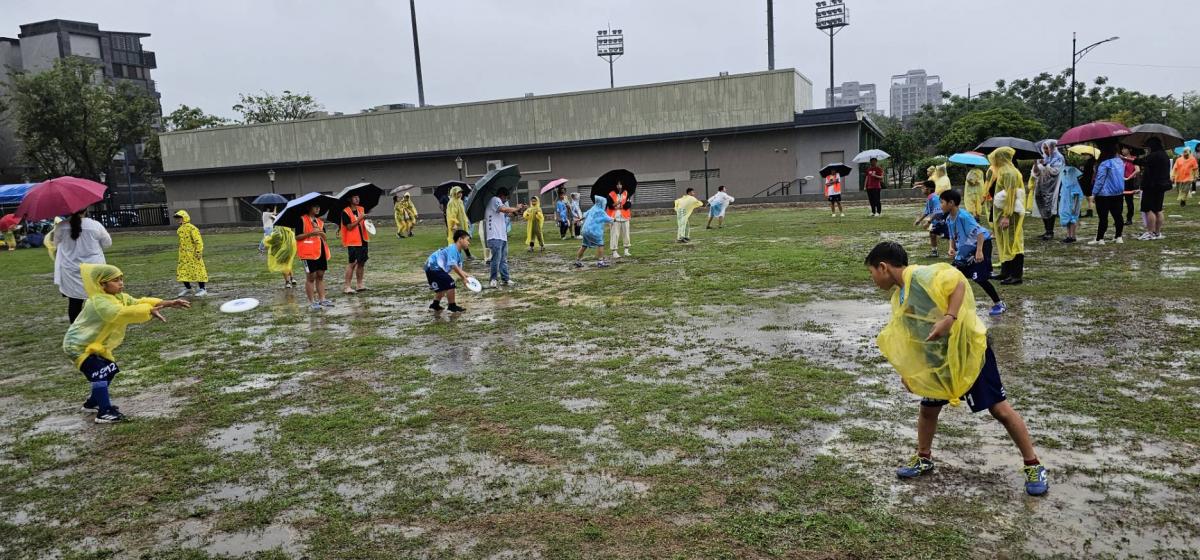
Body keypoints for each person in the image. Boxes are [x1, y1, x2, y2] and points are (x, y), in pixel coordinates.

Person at [864, 242, 1048, 496]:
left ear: (883, 267)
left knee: (1000, 409)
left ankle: (1033, 465)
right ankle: (924, 457)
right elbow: (912, 337)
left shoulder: (920, 276)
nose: (872, 279)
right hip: (939, 360)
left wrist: (949, 318)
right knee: (928, 411)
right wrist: (910, 373)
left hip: (969, 353)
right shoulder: (901, 295)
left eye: (871, 272)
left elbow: (958, 282)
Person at [63, 263, 190, 423]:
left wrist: (169, 303)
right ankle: (104, 412)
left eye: (121, 279)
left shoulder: (119, 297)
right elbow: (118, 313)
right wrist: (147, 310)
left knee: (109, 370)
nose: (121, 283)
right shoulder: (99, 302)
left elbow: (138, 302)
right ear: (102, 284)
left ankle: (92, 403)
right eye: (115, 280)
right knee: (100, 372)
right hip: (77, 346)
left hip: (95, 344)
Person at [940, 189, 1005, 316]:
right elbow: (952, 237)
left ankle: (999, 304)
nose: (940, 205)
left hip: (981, 245)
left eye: (942, 202)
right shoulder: (949, 219)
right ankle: (952, 307)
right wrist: (951, 248)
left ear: (951, 203)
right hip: (967, 249)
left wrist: (979, 252)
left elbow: (979, 232)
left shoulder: (964, 216)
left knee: (979, 278)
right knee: (953, 274)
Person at [53, 209, 111, 323]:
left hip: (71, 270)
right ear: (86, 209)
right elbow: (107, 243)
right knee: (97, 300)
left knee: (74, 302)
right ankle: (97, 327)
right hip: (94, 269)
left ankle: (75, 331)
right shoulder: (95, 225)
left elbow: (55, 244)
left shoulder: (61, 226)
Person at [988, 148, 1026, 284]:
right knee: (1005, 242)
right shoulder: (1004, 170)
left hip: (1009, 213)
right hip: (1003, 212)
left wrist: (1006, 216)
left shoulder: (1010, 172)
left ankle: (1016, 275)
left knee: (1013, 242)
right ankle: (1006, 272)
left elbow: (1011, 195)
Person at [484, 187, 526, 288]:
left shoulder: (499, 203)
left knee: (503, 259)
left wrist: (519, 210)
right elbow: (504, 209)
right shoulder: (495, 200)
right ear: (502, 195)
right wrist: (516, 208)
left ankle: (505, 279)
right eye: (506, 198)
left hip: (502, 236)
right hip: (494, 235)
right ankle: (493, 279)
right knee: (496, 259)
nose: (506, 200)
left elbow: (508, 214)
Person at [425, 229, 474, 313]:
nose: (468, 243)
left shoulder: (458, 253)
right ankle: (452, 306)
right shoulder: (453, 249)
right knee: (450, 283)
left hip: (430, 267)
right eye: (467, 240)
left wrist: (468, 277)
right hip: (434, 267)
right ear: (460, 239)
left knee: (442, 287)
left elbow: (459, 269)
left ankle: (435, 305)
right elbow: (453, 265)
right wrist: (463, 278)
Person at [1135, 137, 1173, 240]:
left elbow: (1141, 161)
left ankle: (1150, 232)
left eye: (1148, 146)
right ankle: (1157, 232)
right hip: (1161, 185)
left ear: (1152, 145)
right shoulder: (1164, 155)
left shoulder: (1154, 155)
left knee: (1149, 209)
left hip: (1151, 186)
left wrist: (1127, 159)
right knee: (1158, 209)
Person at [1089, 145, 1126, 246]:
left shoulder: (1104, 164)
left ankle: (1100, 239)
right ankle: (1118, 237)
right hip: (1118, 193)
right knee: (1118, 216)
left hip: (1104, 194)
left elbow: (1100, 180)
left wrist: (1094, 193)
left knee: (1103, 217)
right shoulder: (1120, 162)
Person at [338, 194, 370, 294]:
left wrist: (367, 222)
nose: (357, 199)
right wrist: (360, 219)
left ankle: (359, 285)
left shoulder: (361, 209)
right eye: (355, 197)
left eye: (358, 197)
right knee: (352, 263)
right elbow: (349, 227)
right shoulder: (345, 212)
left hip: (363, 239)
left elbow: (363, 223)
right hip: (353, 241)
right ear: (349, 199)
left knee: (362, 262)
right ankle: (347, 286)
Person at [1033, 140, 1063, 240]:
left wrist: (1045, 165)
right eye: (1044, 148)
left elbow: (1055, 171)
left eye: (1048, 148)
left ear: (1053, 148)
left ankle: (1050, 231)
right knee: (1042, 206)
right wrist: (1036, 163)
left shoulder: (1058, 158)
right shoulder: (1043, 158)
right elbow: (1035, 173)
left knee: (1049, 207)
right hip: (1041, 186)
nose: (1045, 150)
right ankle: (1046, 230)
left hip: (1052, 187)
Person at [173, 210, 208, 297]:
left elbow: (198, 241)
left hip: (193, 254)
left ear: (184, 217)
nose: (178, 220)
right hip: (183, 255)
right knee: (182, 271)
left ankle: (202, 289)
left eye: (179, 218)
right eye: (177, 218)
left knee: (198, 270)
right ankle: (188, 288)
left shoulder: (192, 228)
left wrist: (198, 252)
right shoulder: (179, 230)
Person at [574, 195, 613, 268]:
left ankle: (577, 261)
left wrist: (579, 219)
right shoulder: (601, 211)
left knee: (584, 245)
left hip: (585, 230)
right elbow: (608, 219)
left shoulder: (592, 208)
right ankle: (600, 262)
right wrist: (615, 220)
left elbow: (585, 215)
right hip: (593, 231)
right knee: (600, 244)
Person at [914, 180, 946, 258]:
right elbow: (927, 211)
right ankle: (934, 252)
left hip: (941, 219)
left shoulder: (934, 198)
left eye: (923, 188)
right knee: (932, 234)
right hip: (937, 219)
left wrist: (928, 222)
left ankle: (955, 250)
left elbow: (937, 211)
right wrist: (919, 220)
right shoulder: (931, 198)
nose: (922, 190)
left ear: (929, 189)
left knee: (949, 235)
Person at [1057, 166, 1084, 244]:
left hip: (1072, 204)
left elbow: (1076, 196)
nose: (1066, 174)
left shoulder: (1074, 185)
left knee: (1073, 218)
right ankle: (1068, 235)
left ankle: (1073, 236)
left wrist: (1074, 207)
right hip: (1065, 203)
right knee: (1067, 218)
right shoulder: (1065, 184)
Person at [446, 186, 473, 260]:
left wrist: (466, 221)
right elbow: (452, 214)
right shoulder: (452, 202)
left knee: (464, 239)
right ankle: (453, 256)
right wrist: (454, 224)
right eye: (458, 192)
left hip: (462, 224)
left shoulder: (460, 201)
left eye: (461, 192)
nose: (460, 194)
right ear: (454, 193)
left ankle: (468, 255)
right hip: (456, 226)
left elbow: (463, 213)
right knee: (456, 241)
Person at [608, 182, 633, 258]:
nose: (619, 186)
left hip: (625, 216)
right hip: (615, 217)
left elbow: (628, 204)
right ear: (615, 185)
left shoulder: (626, 193)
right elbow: (609, 205)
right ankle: (614, 251)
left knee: (626, 234)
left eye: (620, 184)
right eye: (617, 184)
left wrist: (620, 206)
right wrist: (616, 203)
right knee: (614, 234)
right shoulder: (611, 194)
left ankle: (626, 250)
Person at [1120, 147, 1141, 226]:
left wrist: (1129, 177)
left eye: (1124, 149)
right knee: (1119, 201)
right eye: (1122, 149)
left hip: (1129, 182)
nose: (1122, 150)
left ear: (1130, 149)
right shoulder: (1121, 159)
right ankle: (1119, 219)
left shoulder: (1133, 159)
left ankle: (1129, 219)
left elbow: (1137, 170)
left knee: (1129, 201)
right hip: (1121, 182)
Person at [1079, 153, 1096, 218]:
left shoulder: (1090, 162)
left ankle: (1089, 212)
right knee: (1088, 197)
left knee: (1088, 196)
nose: (1084, 156)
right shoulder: (1090, 162)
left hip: (1087, 181)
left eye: (1085, 155)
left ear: (1090, 155)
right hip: (1087, 181)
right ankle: (1089, 211)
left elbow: (1088, 172)